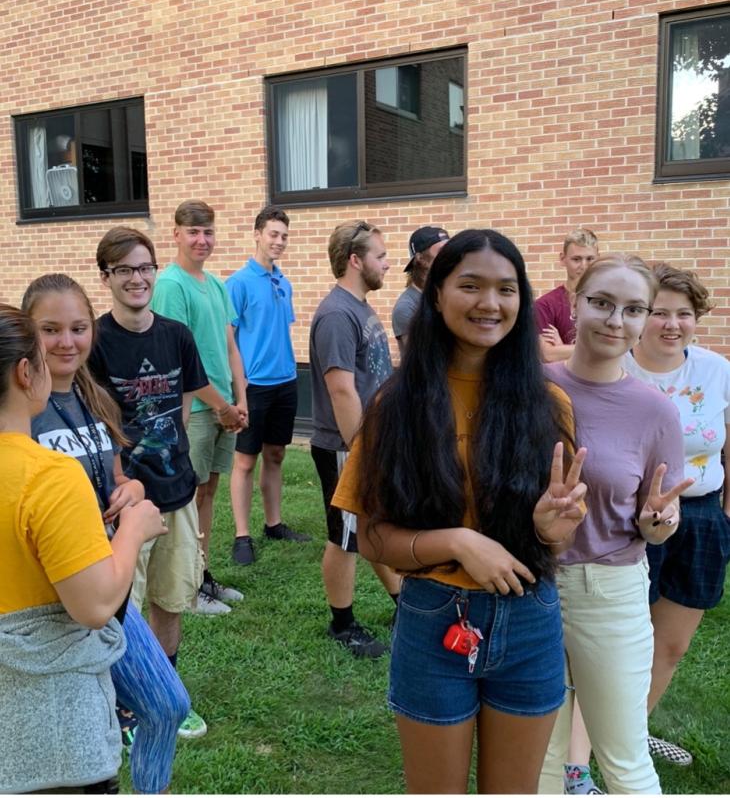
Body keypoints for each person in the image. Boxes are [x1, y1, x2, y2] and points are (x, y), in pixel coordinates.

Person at [331, 229, 588, 794]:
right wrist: (456, 541)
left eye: (506, 289)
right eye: (470, 285)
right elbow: (371, 537)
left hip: (530, 620)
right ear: (437, 293)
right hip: (433, 621)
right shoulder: (394, 405)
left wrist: (551, 531)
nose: (490, 303)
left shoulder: (550, 404)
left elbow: (556, 539)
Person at [23, 273, 190, 793]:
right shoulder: (19, 408)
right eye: (50, 329)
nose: (67, 342)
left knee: (166, 707)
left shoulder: (94, 397)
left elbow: (117, 475)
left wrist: (132, 493)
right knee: (81, 752)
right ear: (27, 336)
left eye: (77, 327)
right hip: (51, 599)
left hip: (104, 577)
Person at [538, 253, 694, 795]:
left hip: (608, 591)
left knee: (623, 760)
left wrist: (658, 522)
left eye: (633, 309)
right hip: (527, 586)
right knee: (542, 760)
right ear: (575, 303)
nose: (614, 320)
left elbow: (657, 520)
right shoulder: (529, 386)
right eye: (602, 303)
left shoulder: (655, 412)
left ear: (646, 319)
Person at [89, 225, 233, 740]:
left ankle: (164, 691)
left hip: (177, 490)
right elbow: (95, 422)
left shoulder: (175, 334)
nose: (137, 278)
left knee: (171, 600)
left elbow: (188, 394)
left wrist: (179, 453)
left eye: (144, 267)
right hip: (126, 503)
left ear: (156, 270)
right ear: (105, 277)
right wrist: (120, 480)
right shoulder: (96, 341)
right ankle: (124, 707)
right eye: (124, 269)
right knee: (122, 610)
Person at [626, 263, 730, 766]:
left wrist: (728, 513)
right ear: (641, 315)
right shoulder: (617, 367)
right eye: (659, 312)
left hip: (703, 516)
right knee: (617, 640)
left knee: (670, 645)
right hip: (627, 523)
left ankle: (631, 734)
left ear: (697, 318)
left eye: (684, 314)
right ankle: (586, 740)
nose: (671, 324)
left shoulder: (715, 370)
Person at [309, 219, 401, 658]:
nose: (387, 263)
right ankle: (342, 625)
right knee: (344, 537)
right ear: (355, 260)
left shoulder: (359, 307)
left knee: (368, 524)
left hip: (368, 442)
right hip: (345, 445)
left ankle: (402, 602)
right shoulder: (336, 314)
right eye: (380, 256)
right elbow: (341, 388)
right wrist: (362, 449)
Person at [151, 200, 248, 614]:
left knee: (208, 492)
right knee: (187, 499)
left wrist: (242, 399)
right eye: (193, 232)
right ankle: (186, 588)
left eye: (208, 231)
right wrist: (224, 406)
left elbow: (229, 346)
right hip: (197, 409)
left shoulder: (217, 284)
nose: (201, 240)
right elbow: (177, 359)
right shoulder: (171, 285)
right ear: (176, 234)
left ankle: (201, 575)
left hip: (226, 404)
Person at [226, 205, 310, 567]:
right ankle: (242, 535)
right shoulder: (238, 283)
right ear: (257, 234)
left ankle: (273, 524)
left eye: (284, 236)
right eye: (273, 234)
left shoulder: (283, 281)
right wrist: (238, 389)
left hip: (286, 381)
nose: (279, 242)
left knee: (275, 455)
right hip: (254, 386)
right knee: (245, 461)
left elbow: (280, 331)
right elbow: (228, 338)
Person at [535, 228, 599, 363]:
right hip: (561, 383)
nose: (584, 266)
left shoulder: (606, 302)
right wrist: (598, 350)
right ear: (563, 259)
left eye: (590, 259)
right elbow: (548, 355)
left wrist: (562, 348)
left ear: (598, 258)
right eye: (576, 259)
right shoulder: (545, 305)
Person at [391, 225, 449, 355]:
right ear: (420, 259)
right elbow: (419, 362)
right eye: (442, 251)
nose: (449, 257)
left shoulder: (445, 295)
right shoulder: (406, 307)